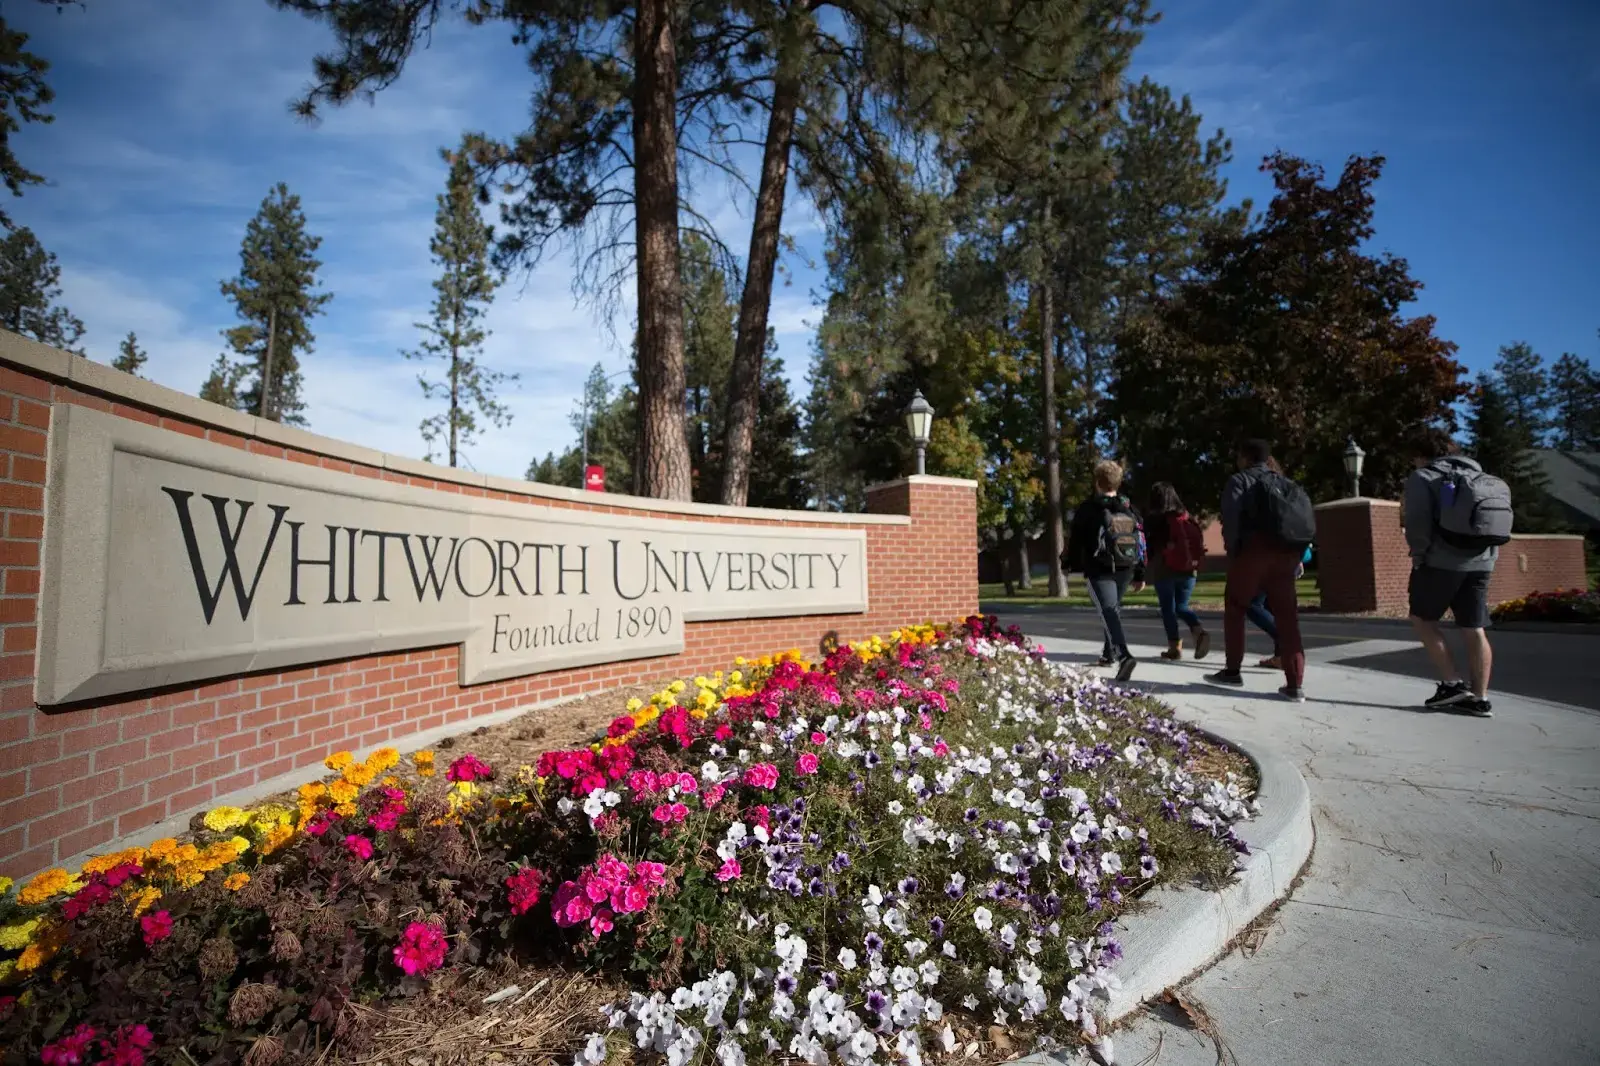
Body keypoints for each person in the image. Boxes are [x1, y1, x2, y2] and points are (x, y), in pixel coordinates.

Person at [1403, 440, 1506, 717]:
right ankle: (1480, 698)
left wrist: (1419, 555)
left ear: (1422, 455)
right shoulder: (1483, 477)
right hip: (1483, 561)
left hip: (1440, 560)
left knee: (1422, 619)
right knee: (1474, 626)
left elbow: (1417, 520)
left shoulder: (1424, 476)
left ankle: (1452, 684)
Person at [1206, 439, 1312, 701]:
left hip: (1254, 552)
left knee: (1235, 606)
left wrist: (1235, 553)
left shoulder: (1239, 481)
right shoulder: (1286, 483)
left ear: (1245, 457)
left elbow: (1231, 522)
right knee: (1288, 619)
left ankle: (1232, 671)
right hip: (1287, 555)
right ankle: (1295, 684)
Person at [1064, 459, 1145, 682]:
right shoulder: (1129, 508)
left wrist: (1068, 564)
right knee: (1112, 610)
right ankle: (1109, 654)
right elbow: (1141, 540)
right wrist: (1140, 572)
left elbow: (1075, 541)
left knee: (1108, 611)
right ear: (1117, 483)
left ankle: (1124, 655)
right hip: (1125, 568)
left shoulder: (1088, 508)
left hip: (1099, 568)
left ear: (1097, 482)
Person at [1143, 481, 1211, 661]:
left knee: (1168, 609)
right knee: (1181, 606)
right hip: (1189, 570)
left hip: (1166, 569)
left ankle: (1175, 648)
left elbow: (1149, 545)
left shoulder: (1156, 519)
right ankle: (1198, 630)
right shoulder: (1187, 518)